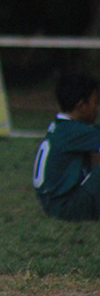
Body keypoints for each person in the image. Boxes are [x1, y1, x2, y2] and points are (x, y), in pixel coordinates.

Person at [32, 72, 100, 221]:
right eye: (95, 102)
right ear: (81, 105)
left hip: (55, 205)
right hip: (66, 207)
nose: (97, 108)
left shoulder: (62, 127)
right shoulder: (74, 132)